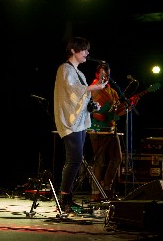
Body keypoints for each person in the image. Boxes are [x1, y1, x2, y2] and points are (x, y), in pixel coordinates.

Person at [53, 37, 107, 214]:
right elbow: (72, 89)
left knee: (76, 160)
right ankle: (64, 200)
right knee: (74, 160)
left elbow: (81, 96)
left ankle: (66, 198)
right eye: (84, 49)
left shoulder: (81, 74)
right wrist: (94, 88)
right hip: (69, 121)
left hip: (80, 122)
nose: (87, 53)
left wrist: (92, 105)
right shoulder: (64, 69)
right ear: (73, 51)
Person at [88, 63, 127, 202]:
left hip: (111, 128)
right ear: (97, 75)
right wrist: (93, 114)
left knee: (117, 158)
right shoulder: (93, 89)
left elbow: (117, 112)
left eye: (108, 74)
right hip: (97, 129)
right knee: (99, 160)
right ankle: (95, 192)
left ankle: (107, 188)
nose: (106, 77)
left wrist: (129, 106)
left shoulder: (112, 91)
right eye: (103, 74)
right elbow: (86, 107)